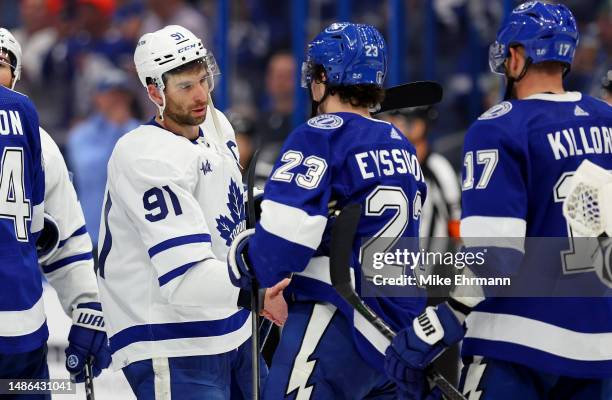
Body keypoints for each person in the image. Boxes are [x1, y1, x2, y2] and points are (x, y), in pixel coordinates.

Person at [385, 2, 612, 399]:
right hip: (600, 344)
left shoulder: (500, 126)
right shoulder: (605, 119)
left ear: (517, 55)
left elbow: (495, 256)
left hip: (517, 343)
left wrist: (442, 320)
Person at [227, 22, 428, 399]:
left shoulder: (320, 133)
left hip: (341, 322)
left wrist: (244, 259)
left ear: (323, 76)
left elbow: (283, 244)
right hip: (399, 338)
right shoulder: (400, 143)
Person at [96, 25, 287, 399]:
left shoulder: (217, 126)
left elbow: (224, 213)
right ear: (155, 92)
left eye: (203, 79)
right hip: (170, 337)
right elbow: (185, 278)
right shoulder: (145, 156)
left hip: (230, 325)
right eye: (185, 86)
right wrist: (260, 295)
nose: (202, 95)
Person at [0, 27, 111, 388]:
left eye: (3, 63)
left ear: (15, 77)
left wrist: (86, 306)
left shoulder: (40, 142)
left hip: (22, 333)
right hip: (21, 329)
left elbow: (63, 237)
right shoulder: (32, 131)